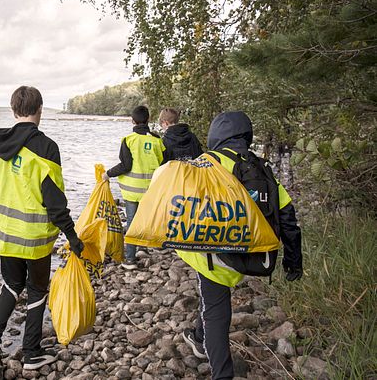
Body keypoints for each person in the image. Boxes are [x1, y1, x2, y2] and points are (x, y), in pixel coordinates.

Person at [177, 111, 303, 380]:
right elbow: (288, 218)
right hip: (249, 253)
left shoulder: (205, 163)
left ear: (216, 135)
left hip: (214, 253)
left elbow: (180, 200)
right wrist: (293, 261)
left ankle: (221, 373)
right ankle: (199, 336)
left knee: (216, 309)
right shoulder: (261, 167)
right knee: (211, 297)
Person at [0, 86, 84, 378]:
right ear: (40, 110)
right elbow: (54, 200)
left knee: (10, 285)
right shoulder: (46, 147)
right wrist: (72, 236)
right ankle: (32, 353)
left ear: (13, 110)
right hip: (35, 239)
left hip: (5, 235)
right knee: (36, 289)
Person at [102, 105, 165, 269]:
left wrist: (108, 174)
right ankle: (142, 248)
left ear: (132, 121)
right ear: (148, 119)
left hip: (131, 190)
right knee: (145, 220)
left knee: (131, 222)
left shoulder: (129, 140)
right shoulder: (157, 140)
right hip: (151, 190)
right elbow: (164, 164)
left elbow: (125, 165)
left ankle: (130, 259)